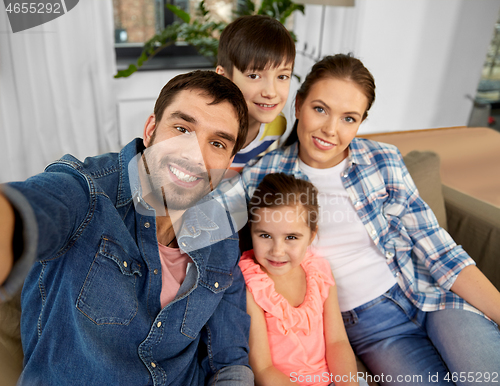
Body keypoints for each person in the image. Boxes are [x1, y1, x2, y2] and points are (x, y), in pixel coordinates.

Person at [238, 54, 500, 385]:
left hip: (429, 294)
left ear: (360, 121)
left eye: (348, 118)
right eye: (320, 109)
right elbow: (202, 207)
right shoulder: (262, 175)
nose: (330, 130)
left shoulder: (383, 159)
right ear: (299, 104)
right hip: (370, 325)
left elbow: (440, 252)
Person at [0, 70, 254, 386]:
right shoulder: (86, 192)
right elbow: (28, 209)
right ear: (150, 130)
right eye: (182, 128)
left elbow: (230, 363)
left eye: (216, 143)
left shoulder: (224, 232)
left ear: (228, 162)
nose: (195, 155)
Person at [239, 173, 367, 386]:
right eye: (265, 235)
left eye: (291, 237)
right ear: (251, 231)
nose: (277, 251)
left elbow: (337, 342)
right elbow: (263, 369)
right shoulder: (250, 283)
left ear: (311, 236)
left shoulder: (320, 272)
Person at [216, 15, 295, 172]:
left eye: (282, 76)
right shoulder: (204, 128)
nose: (270, 92)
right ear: (224, 78)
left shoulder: (276, 126)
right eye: (254, 76)